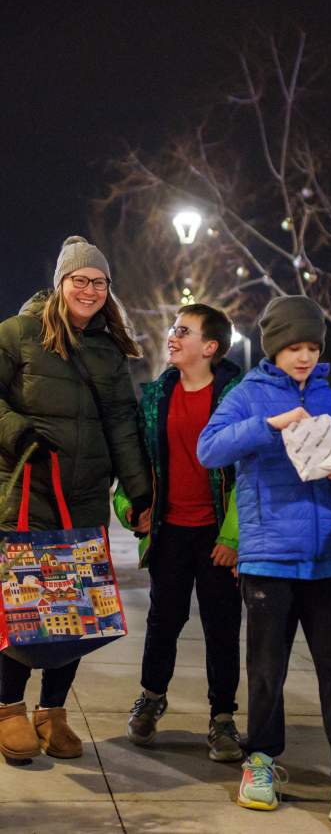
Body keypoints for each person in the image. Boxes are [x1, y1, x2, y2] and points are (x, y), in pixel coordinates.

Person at [197, 295, 331, 830]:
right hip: (267, 557)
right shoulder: (248, 393)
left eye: (310, 347)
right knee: (266, 668)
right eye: (292, 347)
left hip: (326, 557)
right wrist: (270, 425)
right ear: (273, 347)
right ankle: (260, 762)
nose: (303, 356)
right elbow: (208, 449)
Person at [0, 235, 151, 762]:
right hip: (28, 494)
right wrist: (18, 432)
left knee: (75, 611)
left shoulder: (108, 350)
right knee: (29, 605)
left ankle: (53, 712)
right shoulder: (17, 335)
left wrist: (139, 491)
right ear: (60, 284)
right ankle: (9, 710)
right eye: (79, 280)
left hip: (85, 498)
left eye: (99, 282)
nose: (89, 289)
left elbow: (123, 426)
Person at [114, 303, 243, 761]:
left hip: (215, 536)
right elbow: (133, 465)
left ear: (209, 347)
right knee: (163, 621)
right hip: (169, 532)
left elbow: (248, 475)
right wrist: (132, 508)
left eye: (183, 330)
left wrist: (232, 537)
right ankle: (151, 698)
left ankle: (223, 719)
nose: (172, 335)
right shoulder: (155, 397)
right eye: (173, 327)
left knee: (222, 626)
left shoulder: (236, 397)